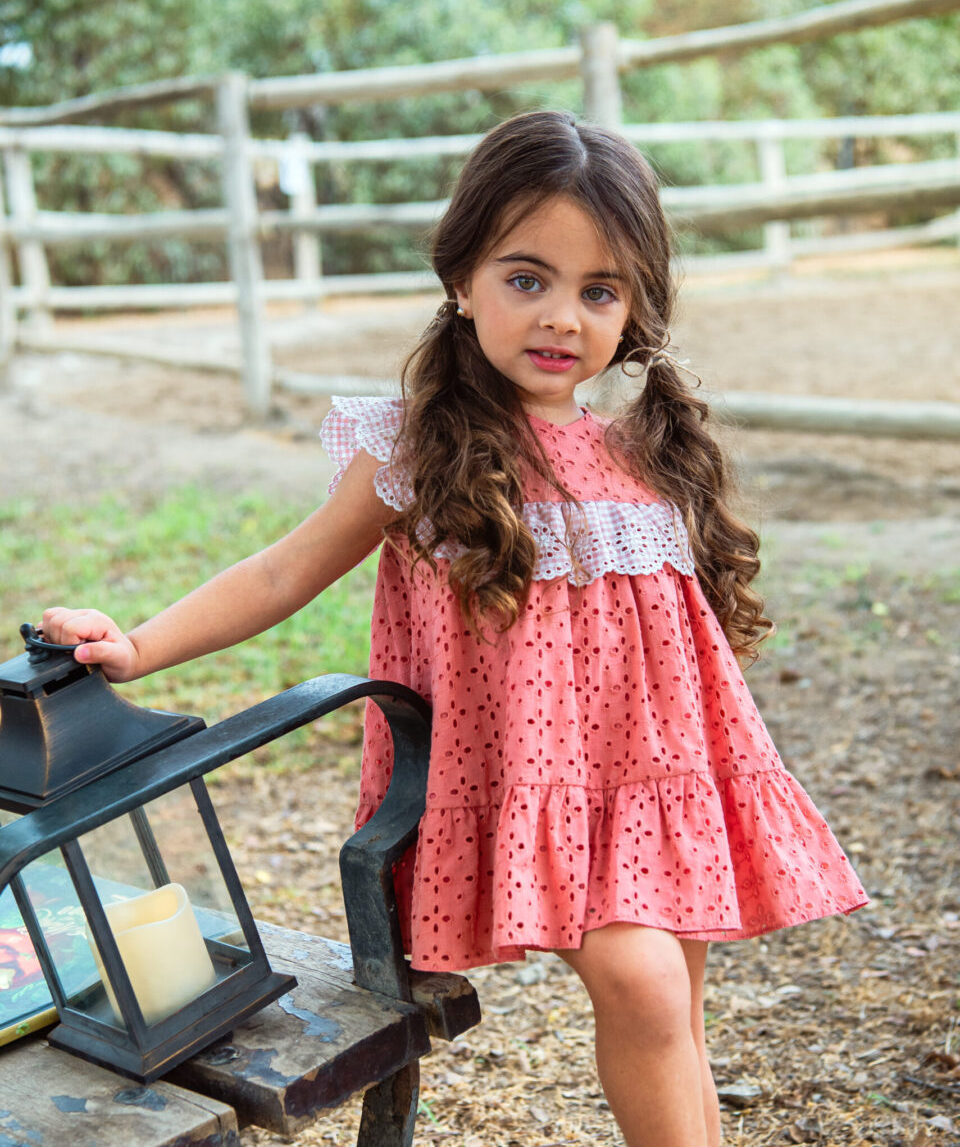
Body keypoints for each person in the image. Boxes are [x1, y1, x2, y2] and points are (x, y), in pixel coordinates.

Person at [41, 110, 867, 1147]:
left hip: (656, 781)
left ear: (635, 308)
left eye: (598, 291)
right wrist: (141, 644)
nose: (560, 317)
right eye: (527, 278)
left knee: (675, 1008)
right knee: (649, 988)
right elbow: (284, 568)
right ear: (462, 278)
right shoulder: (415, 450)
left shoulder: (644, 453)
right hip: (535, 785)